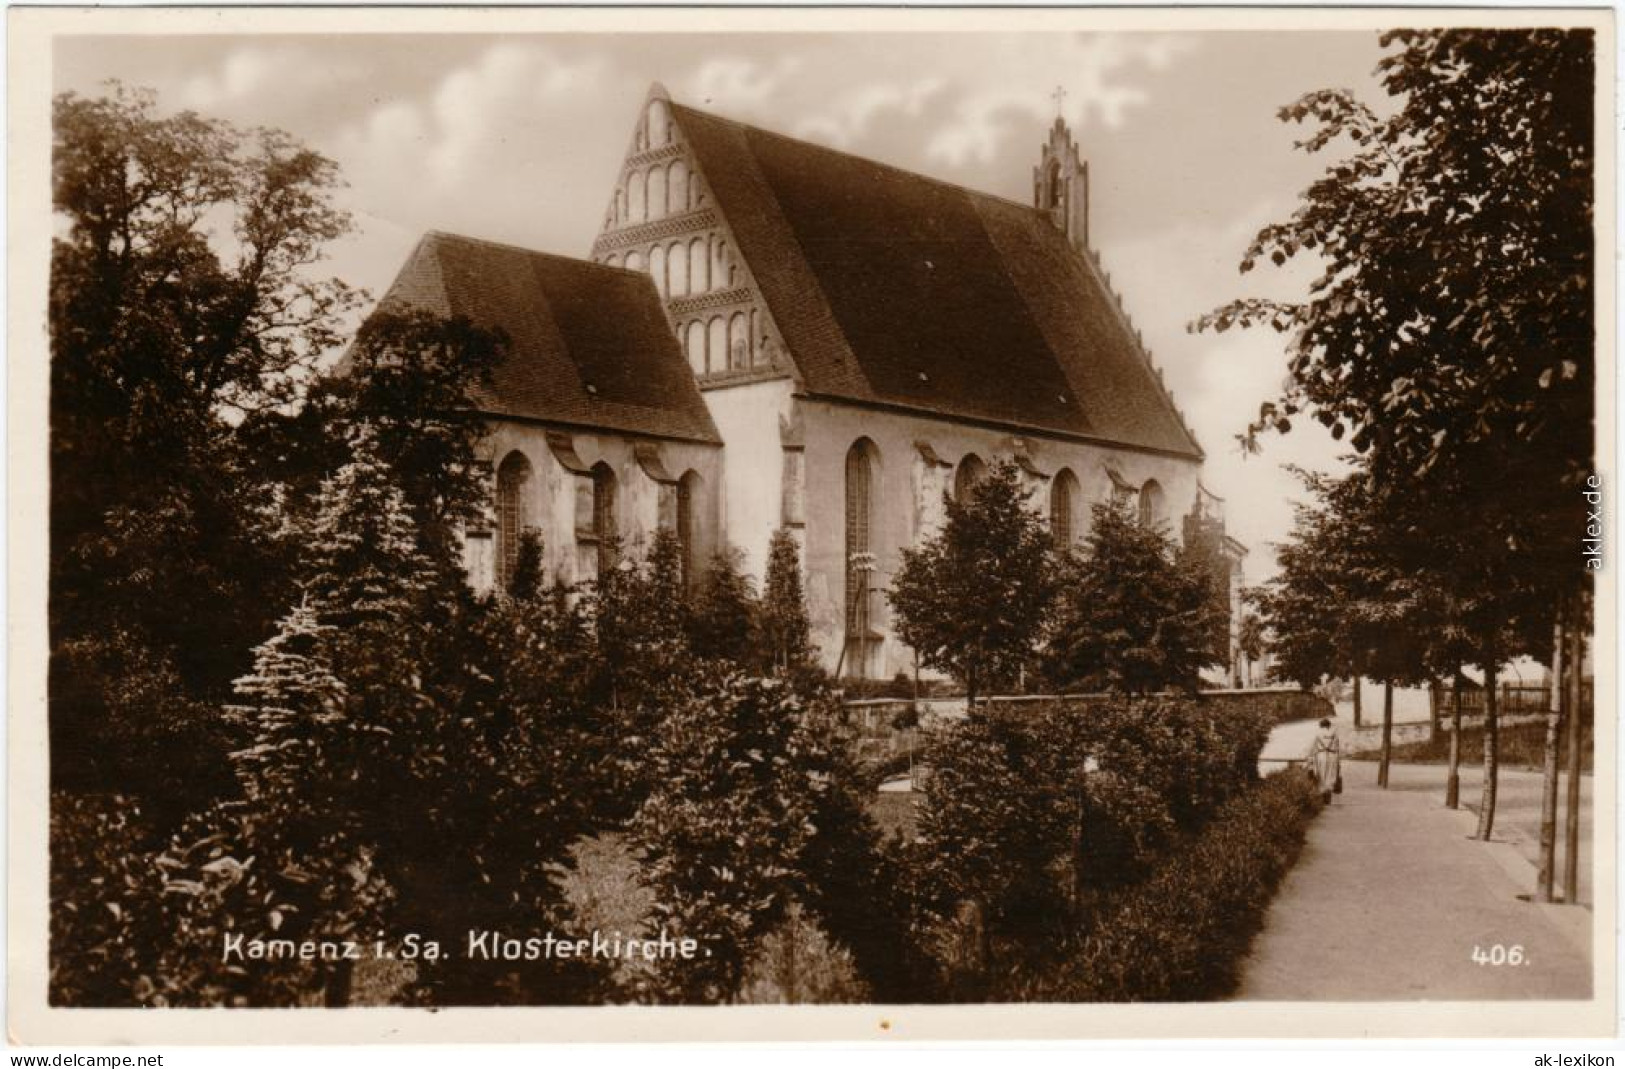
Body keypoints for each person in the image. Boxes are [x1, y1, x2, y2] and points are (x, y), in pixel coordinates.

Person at [1307, 717, 1341, 804]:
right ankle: (1328, 796)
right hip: (1332, 756)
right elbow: (1337, 748)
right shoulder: (1335, 735)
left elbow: (1312, 748)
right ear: (1329, 726)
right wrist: (1338, 762)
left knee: (1321, 776)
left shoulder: (1317, 734)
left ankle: (1322, 797)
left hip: (1321, 756)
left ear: (1320, 725)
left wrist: (1310, 761)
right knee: (1330, 775)